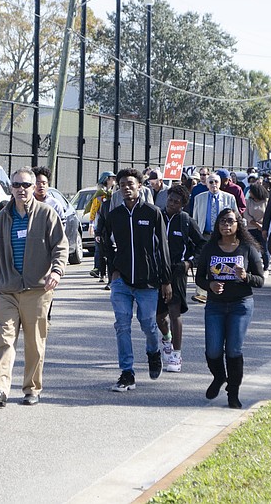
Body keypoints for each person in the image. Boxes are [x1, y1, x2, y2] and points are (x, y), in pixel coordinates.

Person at [0, 167, 67, 407]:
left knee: (34, 343)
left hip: (37, 290)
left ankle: (31, 389)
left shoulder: (46, 214)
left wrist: (57, 271)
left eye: (26, 185)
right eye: (16, 185)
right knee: (4, 340)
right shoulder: (2, 218)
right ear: (10, 188)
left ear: (33, 187)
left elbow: (60, 246)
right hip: (7, 290)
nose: (21, 189)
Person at [103, 168, 172, 392]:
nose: (126, 187)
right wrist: (113, 269)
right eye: (122, 184)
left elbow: (163, 247)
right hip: (122, 281)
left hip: (148, 282)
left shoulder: (152, 213)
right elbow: (105, 242)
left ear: (140, 186)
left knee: (148, 325)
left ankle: (154, 353)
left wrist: (165, 280)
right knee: (122, 325)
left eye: (130, 184)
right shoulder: (115, 215)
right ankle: (127, 373)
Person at [195, 207, 264, 408]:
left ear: (238, 225)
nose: (226, 225)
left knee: (233, 350)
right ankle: (219, 377)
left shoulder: (247, 249)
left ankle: (233, 392)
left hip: (240, 305)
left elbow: (259, 280)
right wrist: (210, 285)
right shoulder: (210, 248)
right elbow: (200, 277)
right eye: (222, 221)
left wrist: (245, 276)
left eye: (230, 221)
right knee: (213, 350)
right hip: (215, 306)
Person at [155, 184, 206, 373]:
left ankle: (176, 355)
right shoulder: (157, 216)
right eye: (170, 200)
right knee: (159, 316)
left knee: (174, 313)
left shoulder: (186, 221)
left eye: (177, 202)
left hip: (177, 272)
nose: (172, 204)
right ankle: (166, 339)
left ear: (183, 205)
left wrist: (190, 263)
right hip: (158, 272)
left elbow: (202, 245)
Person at [191, 173, 238, 303]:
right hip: (204, 234)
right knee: (202, 262)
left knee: (219, 263)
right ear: (206, 184)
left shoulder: (229, 198)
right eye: (210, 182)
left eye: (216, 182)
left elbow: (236, 218)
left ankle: (221, 290)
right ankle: (201, 292)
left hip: (222, 235)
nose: (214, 185)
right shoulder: (199, 198)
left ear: (220, 183)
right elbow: (195, 217)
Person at [89, 171, 116, 282]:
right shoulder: (100, 193)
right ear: (106, 179)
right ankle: (99, 270)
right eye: (112, 178)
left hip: (111, 226)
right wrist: (91, 224)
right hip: (100, 225)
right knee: (100, 251)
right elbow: (94, 209)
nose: (114, 180)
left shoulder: (114, 193)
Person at [243, 181, 269, 270]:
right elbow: (246, 215)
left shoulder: (266, 201)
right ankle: (251, 266)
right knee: (251, 248)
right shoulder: (248, 201)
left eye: (251, 191)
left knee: (264, 249)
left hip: (263, 228)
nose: (249, 193)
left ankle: (266, 266)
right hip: (251, 228)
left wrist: (263, 226)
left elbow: (268, 214)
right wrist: (256, 224)